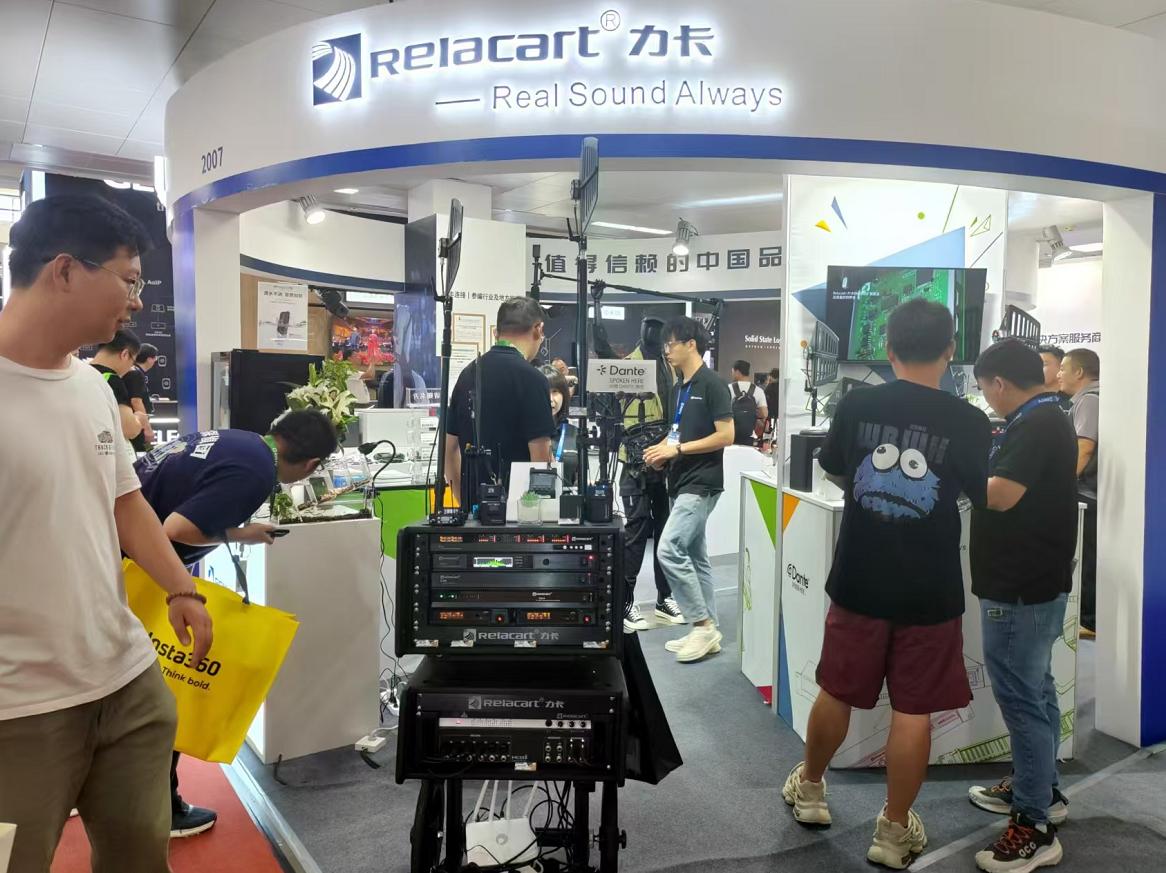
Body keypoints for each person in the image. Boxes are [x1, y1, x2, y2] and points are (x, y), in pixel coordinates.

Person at [0, 194, 213, 873]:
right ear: (65, 270)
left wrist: (182, 588)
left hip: (126, 681)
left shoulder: (93, 386)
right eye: (129, 280)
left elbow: (125, 502)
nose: (137, 302)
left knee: (140, 858)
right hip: (19, 705)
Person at [782, 299, 990, 870]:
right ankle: (893, 831)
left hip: (861, 576)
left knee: (837, 689)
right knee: (914, 711)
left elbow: (834, 467)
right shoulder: (970, 421)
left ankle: (812, 789)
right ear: (951, 350)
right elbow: (979, 493)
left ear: (889, 349)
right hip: (931, 587)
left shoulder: (857, 403)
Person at [133, 409, 338, 837]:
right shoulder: (255, 473)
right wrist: (240, 536)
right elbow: (175, 528)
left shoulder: (241, 441)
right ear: (312, 464)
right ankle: (159, 810)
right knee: (164, 690)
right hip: (134, 573)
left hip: (112, 558)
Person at [965, 339, 1077, 872]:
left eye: (986, 388)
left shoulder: (1035, 424)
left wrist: (955, 474)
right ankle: (1043, 788)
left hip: (1020, 585)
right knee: (1038, 689)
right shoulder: (1044, 417)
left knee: (1022, 700)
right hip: (1033, 580)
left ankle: (1034, 825)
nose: (987, 397)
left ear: (999, 383)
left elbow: (1001, 495)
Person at [644, 316, 734, 663]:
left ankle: (701, 625)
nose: (666, 350)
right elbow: (677, 434)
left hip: (702, 482)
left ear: (691, 344)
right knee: (696, 557)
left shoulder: (713, 384)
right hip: (680, 481)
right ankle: (709, 630)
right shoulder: (678, 388)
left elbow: (726, 435)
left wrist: (677, 449)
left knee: (669, 548)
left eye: (671, 343)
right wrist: (661, 451)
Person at [594, 316, 685, 632]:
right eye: (650, 326)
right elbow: (607, 400)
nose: (655, 332)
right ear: (643, 330)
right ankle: (624, 602)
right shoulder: (627, 366)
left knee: (664, 530)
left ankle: (664, 598)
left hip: (664, 459)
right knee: (635, 532)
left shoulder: (669, 366)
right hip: (634, 463)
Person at [445, 297, 556, 503]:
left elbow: (449, 449)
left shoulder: (468, 374)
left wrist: (464, 502)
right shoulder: (533, 379)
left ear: (498, 331)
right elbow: (541, 460)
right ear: (538, 329)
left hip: (474, 512)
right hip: (520, 511)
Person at [1058, 348, 1100, 635]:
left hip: (1086, 493)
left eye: (1063, 368)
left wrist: (1059, 484)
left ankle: (1088, 620)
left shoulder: (1089, 400)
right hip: (1091, 492)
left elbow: (1084, 448)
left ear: (1080, 372)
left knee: (1086, 558)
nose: (1059, 373)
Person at [90, 328, 149, 447]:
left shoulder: (80, 372)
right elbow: (129, 429)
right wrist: (139, 419)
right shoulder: (111, 379)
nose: (130, 368)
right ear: (125, 354)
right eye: (132, 362)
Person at [546, 369, 581, 487]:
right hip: (530, 497)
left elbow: (580, 478)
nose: (550, 399)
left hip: (568, 497)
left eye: (555, 391)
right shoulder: (524, 432)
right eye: (545, 391)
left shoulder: (575, 433)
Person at [123, 342, 159, 452]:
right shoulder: (136, 374)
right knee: (142, 453)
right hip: (137, 424)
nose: (155, 361)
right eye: (155, 358)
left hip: (133, 421)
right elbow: (136, 401)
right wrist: (147, 428)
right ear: (149, 359)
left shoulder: (131, 371)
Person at [729, 359, 768, 445]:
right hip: (749, 435)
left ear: (737, 372)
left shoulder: (728, 388)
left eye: (732, 371)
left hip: (731, 435)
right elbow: (764, 414)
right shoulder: (758, 390)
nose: (732, 374)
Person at [1037, 345, 1072, 411]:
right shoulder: (1029, 400)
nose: (1037, 368)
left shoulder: (1073, 401)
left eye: (1043, 364)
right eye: (1035, 364)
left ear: (1061, 367)